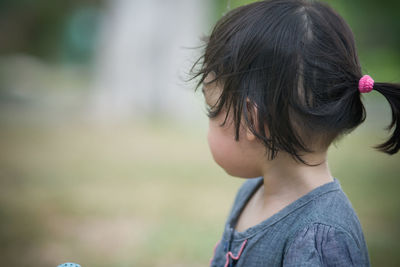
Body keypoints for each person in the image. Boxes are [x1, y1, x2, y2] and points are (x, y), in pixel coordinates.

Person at [189, 0, 400, 266]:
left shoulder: (319, 239)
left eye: (212, 110)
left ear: (253, 121)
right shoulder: (253, 192)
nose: (209, 120)